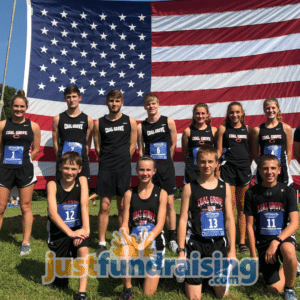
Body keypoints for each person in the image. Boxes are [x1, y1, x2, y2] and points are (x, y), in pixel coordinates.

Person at [178, 145, 236, 300]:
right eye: (203, 161)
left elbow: (230, 219)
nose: (206, 165)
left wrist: (232, 251)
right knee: (194, 298)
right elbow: (183, 220)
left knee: (222, 295)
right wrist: (181, 252)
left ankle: (212, 274)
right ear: (196, 162)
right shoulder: (189, 188)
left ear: (217, 163)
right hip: (195, 245)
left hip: (217, 245)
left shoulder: (225, 187)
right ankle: (197, 272)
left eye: (210, 161)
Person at [244, 155, 299, 300]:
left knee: (288, 250)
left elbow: (294, 223)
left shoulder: (288, 191)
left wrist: (276, 241)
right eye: (265, 169)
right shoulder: (251, 193)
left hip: (283, 237)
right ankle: (294, 265)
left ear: (279, 170)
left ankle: (290, 288)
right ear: (259, 171)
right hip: (263, 241)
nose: (270, 172)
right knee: (274, 288)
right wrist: (253, 256)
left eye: (273, 168)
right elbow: (249, 226)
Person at [94, 90, 137, 255]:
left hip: (123, 168)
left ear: (122, 103)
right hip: (106, 168)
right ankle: (102, 242)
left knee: (122, 206)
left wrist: (123, 160)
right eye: (111, 101)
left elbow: (132, 147)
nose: (114, 104)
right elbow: (98, 147)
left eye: (117, 101)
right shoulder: (99, 123)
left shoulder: (130, 121)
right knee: (104, 206)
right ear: (107, 102)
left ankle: (122, 241)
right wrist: (106, 159)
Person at [118, 156, 167, 299]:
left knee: (148, 293)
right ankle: (128, 289)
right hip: (135, 241)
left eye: (148, 170)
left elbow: (160, 224)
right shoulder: (129, 193)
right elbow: (125, 224)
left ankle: (151, 270)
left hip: (153, 242)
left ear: (154, 172)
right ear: (136, 171)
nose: (145, 173)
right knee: (123, 250)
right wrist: (125, 237)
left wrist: (146, 242)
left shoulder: (161, 193)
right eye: (141, 169)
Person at [0, 90, 41, 255]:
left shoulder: (33, 126)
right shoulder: (2, 125)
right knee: (1, 207)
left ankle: (25, 243)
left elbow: (36, 149)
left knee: (25, 207)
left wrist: (24, 160)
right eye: (16, 106)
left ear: (26, 107)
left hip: (25, 169)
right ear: (11, 107)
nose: (19, 109)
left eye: (22, 106)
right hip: (5, 169)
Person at [137, 93, 178, 252]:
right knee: (152, 203)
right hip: (150, 171)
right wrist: (147, 169)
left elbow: (173, 145)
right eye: (148, 104)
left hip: (166, 169)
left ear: (158, 104)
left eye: (153, 103)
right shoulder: (141, 127)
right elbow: (141, 150)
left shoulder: (168, 122)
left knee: (169, 203)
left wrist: (165, 163)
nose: (151, 106)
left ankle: (172, 238)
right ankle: (154, 235)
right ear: (145, 107)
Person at [47, 152, 90, 300]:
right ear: (59, 168)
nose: (69, 172)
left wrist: (85, 230)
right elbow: (53, 214)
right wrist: (70, 234)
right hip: (60, 233)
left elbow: (84, 205)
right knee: (60, 284)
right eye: (66, 168)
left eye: (73, 169)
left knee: (83, 250)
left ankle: (81, 293)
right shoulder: (52, 185)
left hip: (78, 228)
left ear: (79, 169)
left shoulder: (82, 180)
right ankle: (59, 271)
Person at [216, 101, 252, 253]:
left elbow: (251, 152)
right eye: (232, 112)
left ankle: (242, 242)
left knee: (243, 206)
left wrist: (245, 165)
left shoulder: (248, 129)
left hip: (243, 171)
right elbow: (218, 151)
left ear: (242, 113)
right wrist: (217, 171)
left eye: (237, 112)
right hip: (227, 171)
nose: (235, 115)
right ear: (228, 114)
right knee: (229, 206)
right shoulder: (223, 129)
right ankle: (229, 239)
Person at [52, 85, 93, 181]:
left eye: (74, 96)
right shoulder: (58, 118)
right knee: (62, 191)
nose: (71, 100)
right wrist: (61, 157)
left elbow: (88, 143)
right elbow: (55, 142)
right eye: (68, 97)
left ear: (80, 98)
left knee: (82, 190)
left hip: (81, 161)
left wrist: (82, 157)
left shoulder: (88, 119)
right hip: (63, 161)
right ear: (65, 99)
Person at [252, 97, 293, 186]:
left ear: (278, 109)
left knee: (282, 197)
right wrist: (264, 166)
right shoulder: (257, 130)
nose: (270, 110)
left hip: (281, 170)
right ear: (264, 110)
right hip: (265, 171)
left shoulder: (286, 128)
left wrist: (279, 168)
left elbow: (289, 153)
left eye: (273, 108)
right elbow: (254, 154)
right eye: (268, 108)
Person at [182, 103, 217, 184]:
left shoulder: (213, 130)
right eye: (197, 113)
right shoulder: (188, 131)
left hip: (208, 169)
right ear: (193, 115)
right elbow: (184, 154)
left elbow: (217, 151)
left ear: (207, 114)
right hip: (192, 169)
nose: (200, 116)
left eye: (203, 113)